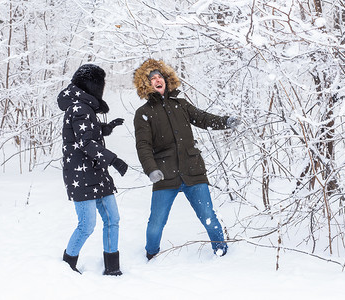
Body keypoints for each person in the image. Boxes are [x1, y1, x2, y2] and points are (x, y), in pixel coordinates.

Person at [133, 59, 240, 260]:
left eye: (159, 76)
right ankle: (150, 254)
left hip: (193, 171)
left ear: (166, 79)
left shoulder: (181, 105)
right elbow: (143, 146)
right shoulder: (143, 114)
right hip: (165, 176)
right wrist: (151, 169)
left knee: (208, 216)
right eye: (152, 78)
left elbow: (203, 118)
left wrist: (225, 121)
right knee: (156, 222)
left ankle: (221, 252)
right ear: (146, 84)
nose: (157, 80)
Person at [57, 64, 128, 275]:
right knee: (87, 225)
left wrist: (106, 128)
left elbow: (87, 132)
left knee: (112, 219)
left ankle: (112, 268)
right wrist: (114, 160)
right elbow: (85, 143)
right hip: (82, 174)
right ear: (92, 86)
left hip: (96, 172)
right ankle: (67, 265)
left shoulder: (84, 107)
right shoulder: (79, 108)